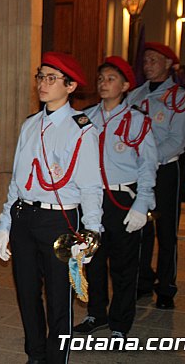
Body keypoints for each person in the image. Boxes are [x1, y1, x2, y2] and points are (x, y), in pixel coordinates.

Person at [0, 51, 102, 364]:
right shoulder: (30, 125)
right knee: (26, 292)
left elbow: (91, 186)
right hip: (25, 216)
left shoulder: (81, 128)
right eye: (41, 76)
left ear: (70, 86)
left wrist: (93, 231)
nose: (42, 83)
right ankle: (36, 354)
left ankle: (57, 358)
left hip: (60, 220)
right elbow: (17, 181)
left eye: (51, 78)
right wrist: (4, 225)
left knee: (59, 298)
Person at [73, 56, 158, 339]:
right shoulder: (85, 118)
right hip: (92, 200)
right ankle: (96, 313)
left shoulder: (137, 120)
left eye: (110, 79)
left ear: (125, 85)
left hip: (122, 201)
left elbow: (148, 165)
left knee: (123, 265)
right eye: (100, 79)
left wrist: (142, 204)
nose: (103, 84)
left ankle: (121, 323)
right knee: (93, 260)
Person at [126, 42, 185, 309]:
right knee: (140, 226)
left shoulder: (179, 97)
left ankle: (166, 286)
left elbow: (178, 139)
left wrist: (150, 159)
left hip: (165, 169)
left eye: (154, 60)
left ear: (168, 64)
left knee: (166, 230)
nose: (148, 64)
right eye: (145, 60)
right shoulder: (135, 95)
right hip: (138, 169)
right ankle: (143, 281)